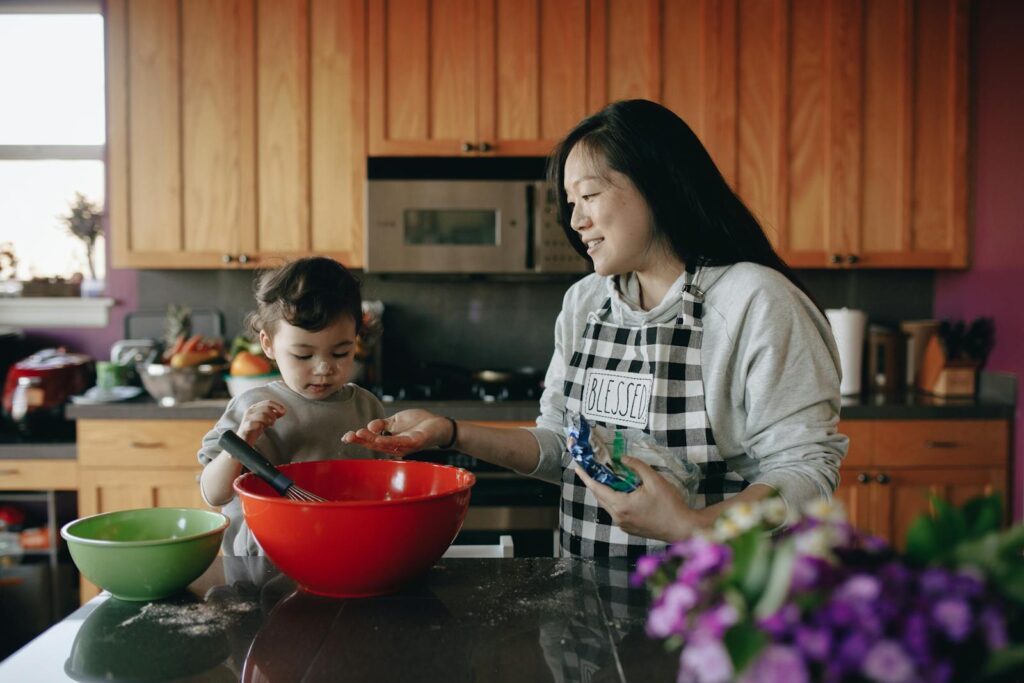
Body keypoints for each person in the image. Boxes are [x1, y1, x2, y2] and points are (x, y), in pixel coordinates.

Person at [343, 99, 848, 558]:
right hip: (588, 614)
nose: (576, 219)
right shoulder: (587, 302)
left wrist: (693, 528)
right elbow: (563, 444)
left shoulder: (754, 300)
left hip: (713, 607)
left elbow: (804, 472)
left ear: (658, 185)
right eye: (570, 202)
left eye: (589, 195)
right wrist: (450, 433)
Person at [199, 256, 385, 555]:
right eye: (302, 355)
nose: (324, 367)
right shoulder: (251, 407)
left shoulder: (366, 408)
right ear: (268, 344)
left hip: (345, 552)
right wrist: (243, 439)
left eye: (341, 352)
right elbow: (214, 494)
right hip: (263, 564)